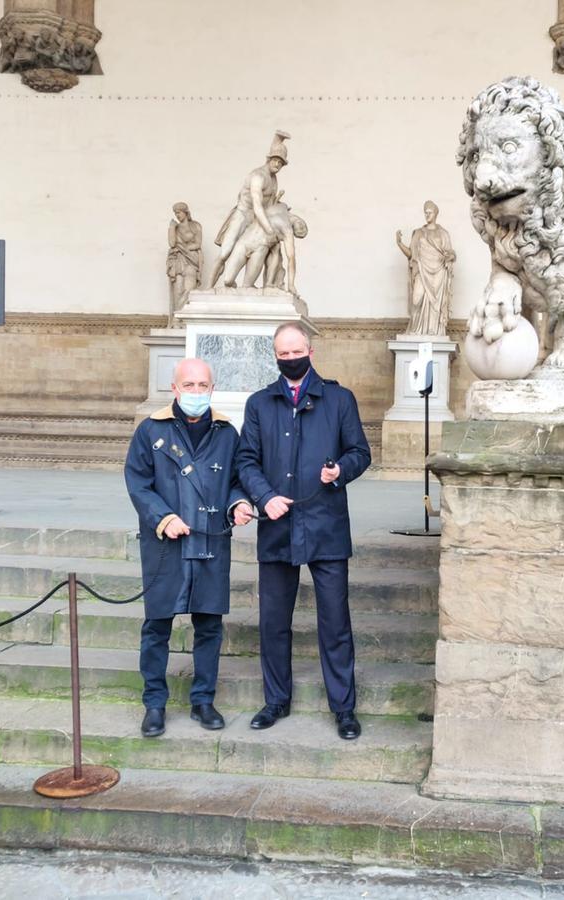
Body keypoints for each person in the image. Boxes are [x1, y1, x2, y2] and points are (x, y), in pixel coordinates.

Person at [235, 322, 371, 740]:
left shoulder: (339, 399)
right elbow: (246, 460)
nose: (290, 359)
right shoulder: (259, 404)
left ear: (310, 352)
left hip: (325, 524)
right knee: (273, 621)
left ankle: (343, 708)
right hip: (277, 525)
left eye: (296, 352)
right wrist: (263, 497)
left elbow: (360, 453)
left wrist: (339, 471)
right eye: (283, 354)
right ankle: (276, 700)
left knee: (335, 622)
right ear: (275, 355)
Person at [124, 358, 253, 738]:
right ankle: (154, 704)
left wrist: (240, 503)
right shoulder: (150, 430)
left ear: (212, 389)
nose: (196, 392)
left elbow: (237, 478)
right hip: (166, 544)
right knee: (157, 625)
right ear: (175, 389)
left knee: (210, 625)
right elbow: (138, 483)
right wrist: (163, 517)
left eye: (203, 385)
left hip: (211, 539)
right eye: (189, 385)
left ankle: (203, 700)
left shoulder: (227, 433)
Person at [209, 130, 291, 288]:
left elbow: (268, 206)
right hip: (243, 215)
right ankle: (208, 287)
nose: (277, 165)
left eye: (281, 163)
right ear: (269, 159)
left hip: (256, 219)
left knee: (271, 247)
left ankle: (270, 284)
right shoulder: (258, 176)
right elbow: (257, 205)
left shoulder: (273, 180)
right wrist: (268, 228)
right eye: (275, 160)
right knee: (225, 252)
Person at [395, 200, 456, 336]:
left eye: (430, 212)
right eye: (425, 212)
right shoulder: (418, 233)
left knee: (435, 304)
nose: (427, 215)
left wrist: (449, 257)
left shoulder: (443, 233)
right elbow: (411, 254)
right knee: (416, 300)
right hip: (421, 270)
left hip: (438, 271)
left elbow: (450, 252)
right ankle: (415, 331)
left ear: (435, 214)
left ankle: (433, 331)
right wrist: (400, 244)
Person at [166, 202, 202, 320]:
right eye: (175, 213)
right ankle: (177, 320)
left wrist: (186, 248)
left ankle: (186, 320)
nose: (177, 215)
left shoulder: (196, 226)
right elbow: (172, 244)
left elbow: (198, 243)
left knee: (189, 290)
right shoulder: (175, 228)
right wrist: (171, 227)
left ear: (185, 212)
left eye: (179, 212)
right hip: (178, 261)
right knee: (178, 291)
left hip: (191, 260)